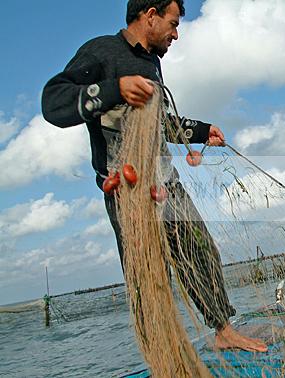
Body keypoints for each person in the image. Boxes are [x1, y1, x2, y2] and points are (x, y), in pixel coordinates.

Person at [42, 0, 267, 353]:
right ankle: (162, 355)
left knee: (200, 251)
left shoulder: (152, 64)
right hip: (127, 191)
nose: (176, 34)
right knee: (149, 276)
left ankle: (223, 331)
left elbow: (159, 124)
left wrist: (201, 131)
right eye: (173, 24)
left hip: (166, 182)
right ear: (150, 16)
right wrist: (115, 88)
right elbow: (53, 102)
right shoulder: (100, 52)